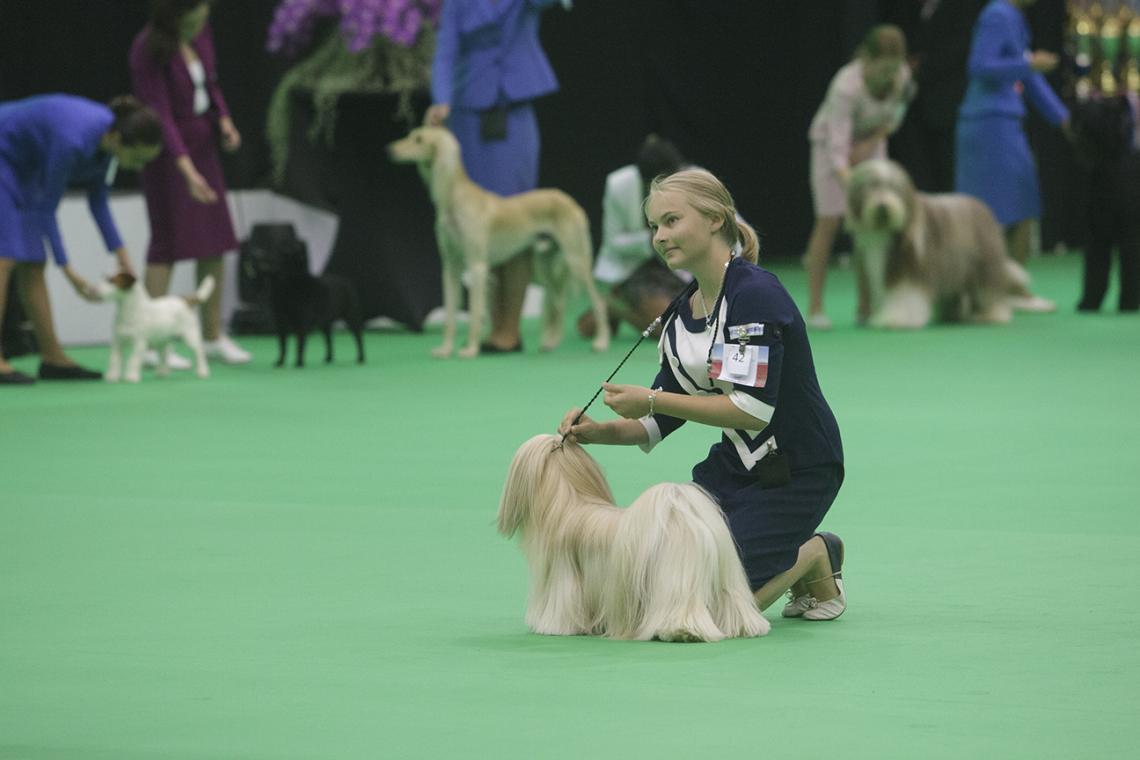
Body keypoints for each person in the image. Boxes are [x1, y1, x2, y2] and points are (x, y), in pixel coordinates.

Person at [559, 169, 847, 620]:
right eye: (654, 226)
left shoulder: (754, 295)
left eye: (672, 221)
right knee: (658, 586)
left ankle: (813, 553)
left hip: (800, 468)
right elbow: (657, 420)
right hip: (735, 469)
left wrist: (651, 400)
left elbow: (750, 411)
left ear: (715, 219)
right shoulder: (681, 312)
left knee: (715, 609)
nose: (660, 236)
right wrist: (597, 432)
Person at [425, 0, 565, 353]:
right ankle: (490, 324)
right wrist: (440, 99)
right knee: (475, 226)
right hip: (468, 111)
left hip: (514, 109)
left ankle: (510, 328)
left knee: (517, 220)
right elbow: (445, 51)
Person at [0, 94, 162, 385]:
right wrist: (69, 272)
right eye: (137, 158)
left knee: (33, 261)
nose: (138, 168)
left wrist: (123, 257)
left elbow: (98, 203)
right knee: (3, 258)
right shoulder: (72, 141)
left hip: (23, 164)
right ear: (116, 139)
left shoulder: (108, 145)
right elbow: (47, 211)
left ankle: (52, 358)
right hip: (4, 153)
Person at [129, 0, 250, 365]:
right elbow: (159, 113)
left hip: (203, 144)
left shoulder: (201, 33)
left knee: (216, 239)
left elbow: (210, 83)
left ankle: (212, 336)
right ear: (174, 14)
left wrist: (224, 119)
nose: (200, 26)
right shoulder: (146, 49)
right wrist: (185, 169)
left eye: (204, 18)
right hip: (166, 154)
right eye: (193, 20)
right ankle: (149, 343)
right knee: (166, 243)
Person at [804, 24, 913, 330]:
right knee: (830, 220)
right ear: (866, 59)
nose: (890, 74)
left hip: (872, 143)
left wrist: (872, 141)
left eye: (895, 68)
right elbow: (838, 147)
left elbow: (897, 114)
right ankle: (815, 307)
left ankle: (867, 307)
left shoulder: (902, 75)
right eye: (884, 68)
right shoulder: (845, 86)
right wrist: (853, 186)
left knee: (872, 228)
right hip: (829, 151)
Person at [954, 0, 1069, 265]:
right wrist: (1028, 62)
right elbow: (980, 65)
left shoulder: (1013, 16)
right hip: (988, 123)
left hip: (1003, 122)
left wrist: (1063, 118)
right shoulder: (997, 14)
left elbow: (1029, 78)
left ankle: (1014, 286)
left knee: (1023, 203)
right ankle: (989, 286)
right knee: (988, 213)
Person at [578, 134, 688, 340]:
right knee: (667, 328)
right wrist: (650, 239)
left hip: (679, 269)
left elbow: (735, 226)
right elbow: (613, 242)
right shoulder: (618, 184)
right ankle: (615, 307)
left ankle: (613, 307)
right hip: (634, 269)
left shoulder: (697, 180)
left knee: (690, 321)